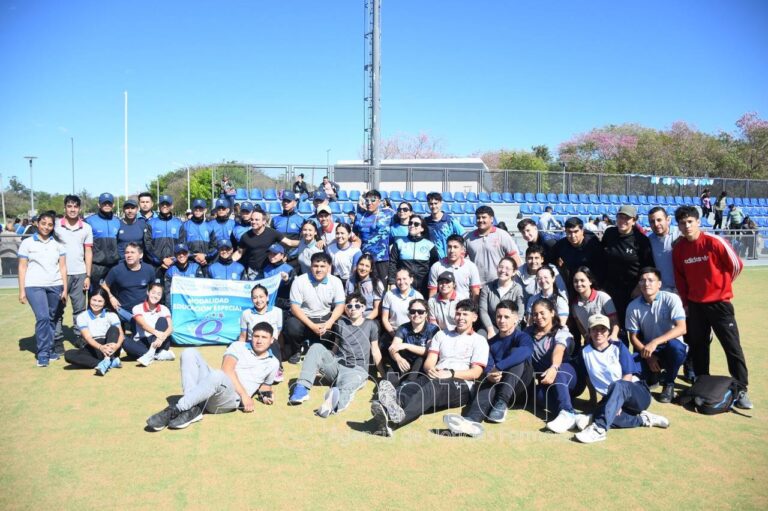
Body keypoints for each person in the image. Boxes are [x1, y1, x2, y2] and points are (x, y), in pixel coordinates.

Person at [369, 299, 488, 437]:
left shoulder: (479, 340)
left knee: (433, 387)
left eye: (465, 314)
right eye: (458, 314)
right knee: (411, 387)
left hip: (461, 384)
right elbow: (429, 361)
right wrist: (431, 369)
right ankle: (387, 408)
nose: (460, 317)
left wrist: (450, 373)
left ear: (474, 317)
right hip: (436, 375)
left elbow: (476, 372)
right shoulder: (442, 335)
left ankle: (393, 423)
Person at [672, 205, 752, 409]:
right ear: (678, 226)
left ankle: (741, 388)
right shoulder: (679, 249)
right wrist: (686, 303)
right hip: (696, 306)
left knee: (732, 346)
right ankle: (702, 382)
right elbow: (680, 279)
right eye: (682, 223)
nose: (687, 226)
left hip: (720, 305)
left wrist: (722, 287)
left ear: (698, 222)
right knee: (699, 346)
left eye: (690, 221)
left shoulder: (714, 241)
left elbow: (736, 265)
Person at [146, 322, 278, 431]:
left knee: (217, 375)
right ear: (251, 336)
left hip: (230, 399)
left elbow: (265, 386)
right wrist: (245, 394)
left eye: (264, 337)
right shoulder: (238, 346)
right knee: (189, 353)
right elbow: (227, 369)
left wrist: (265, 396)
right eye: (256, 336)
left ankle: (176, 409)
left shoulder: (273, 363)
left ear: (272, 340)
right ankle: (191, 409)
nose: (259, 340)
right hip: (218, 386)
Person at [574, 314, 670, 444]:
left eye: (603, 329)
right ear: (589, 332)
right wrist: (593, 400)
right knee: (601, 413)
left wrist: (618, 401)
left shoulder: (618, 346)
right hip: (611, 398)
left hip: (637, 394)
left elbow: (627, 376)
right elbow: (588, 377)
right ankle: (644, 419)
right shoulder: (584, 352)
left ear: (608, 331)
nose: (599, 333)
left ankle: (599, 429)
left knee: (617, 386)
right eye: (594, 329)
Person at [443, 301, 534, 436]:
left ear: (515, 319)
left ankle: (502, 402)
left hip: (520, 388)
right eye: (499, 316)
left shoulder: (522, 337)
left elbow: (526, 351)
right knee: (486, 384)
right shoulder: (490, 343)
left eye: (506, 317)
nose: (502, 320)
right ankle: (471, 421)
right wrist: (490, 374)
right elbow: (488, 365)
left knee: (517, 355)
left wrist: (499, 367)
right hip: (499, 383)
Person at [288, 292, 376, 417]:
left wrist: (383, 375)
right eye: (349, 306)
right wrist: (323, 362)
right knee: (316, 347)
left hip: (357, 370)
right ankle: (302, 388)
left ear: (363, 308)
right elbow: (336, 345)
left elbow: (375, 350)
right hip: (338, 364)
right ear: (346, 309)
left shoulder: (371, 325)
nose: (353, 309)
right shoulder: (341, 323)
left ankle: (332, 405)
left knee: (346, 387)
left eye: (357, 306)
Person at [626, 267, 688, 403]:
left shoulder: (671, 298)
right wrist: (648, 357)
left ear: (659, 284)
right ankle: (653, 376)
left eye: (650, 280)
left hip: (670, 346)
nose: (646, 284)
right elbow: (633, 337)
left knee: (676, 348)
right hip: (649, 350)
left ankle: (669, 383)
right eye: (642, 280)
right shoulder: (633, 306)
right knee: (629, 366)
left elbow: (682, 328)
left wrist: (655, 342)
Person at [18, 210, 68, 367]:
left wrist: (65, 289)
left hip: (55, 285)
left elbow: (63, 267)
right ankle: (43, 353)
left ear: (53, 227)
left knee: (52, 318)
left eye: (50, 225)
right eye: (43, 223)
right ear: (37, 223)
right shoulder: (27, 243)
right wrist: (22, 290)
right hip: (34, 286)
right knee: (43, 318)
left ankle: (50, 349)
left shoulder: (58, 243)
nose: (46, 227)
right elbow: (22, 267)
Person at [525, 298, 581, 433]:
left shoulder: (562, 331)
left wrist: (554, 366)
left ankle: (567, 411)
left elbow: (559, 349)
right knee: (537, 395)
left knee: (558, 371)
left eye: (542, 313)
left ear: (552, 312)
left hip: (569, 378)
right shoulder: (527, 333)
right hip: (547, 382)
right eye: (535, 314)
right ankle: (574, 417)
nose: (538, 317)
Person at [284, 252, 345, 364]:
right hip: (304, 318)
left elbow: (340, 305)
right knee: (291, 325)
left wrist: (330, 322)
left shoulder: (336, 281)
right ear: (310, 266)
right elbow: (294, 307)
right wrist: (312, 326)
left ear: (329, 267)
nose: (319, 269)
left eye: (322, 266)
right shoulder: (299, 281)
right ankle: (297, 350)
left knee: (340, 323)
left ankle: (331, 352)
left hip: (324, 318)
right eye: (315, 266)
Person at [600, 205, 654, 328]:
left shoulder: (641, 240)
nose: (622, 221)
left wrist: (639, 287)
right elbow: (601, 257)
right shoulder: (609, 233)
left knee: (635, 325)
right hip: (611, 288)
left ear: (634, 221)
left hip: (632, 289)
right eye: (620, 217)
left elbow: (648, 267)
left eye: (627, 218)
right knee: (613, 324)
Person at [54, 194, 93, 353]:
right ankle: (57, 339)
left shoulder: (86, 227)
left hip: (80, 274)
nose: (72, 209)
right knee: (58, 309)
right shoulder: (56, 226)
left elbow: (88, 252)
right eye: (69, 206)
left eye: (75, 206)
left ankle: (79, 336)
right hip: (59, 274)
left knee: (80, 309)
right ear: (65, 208)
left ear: (79, 208)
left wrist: (88, 275)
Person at [63, 289, 124, 375]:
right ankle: (107, 363)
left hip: (110, 345)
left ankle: (108, 359)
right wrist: (100, 347)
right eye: (94, 300)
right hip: (93, 345)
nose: (96, 304)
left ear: (105, 303)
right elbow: (88, 337)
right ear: (89, 300)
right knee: (68, 354)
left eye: (100, 301)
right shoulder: (82, 317)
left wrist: (117, 346)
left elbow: (121, 334)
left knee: (114, 329)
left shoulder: (112, 315)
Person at [101, 242, 157, 326]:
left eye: (132, 252)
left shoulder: (149, 269)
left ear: (140, 255)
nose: (129, 255)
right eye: (127, 252)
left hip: (142, 311)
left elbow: (154, 288)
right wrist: (111, 297)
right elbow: (104, 285)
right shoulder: (116, 270)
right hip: (122, 311)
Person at [464, 205, 522, 285]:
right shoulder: (468, 238)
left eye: (484, 217)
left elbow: (515, 257)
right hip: (477, 284)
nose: (480, 220)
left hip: (499, 283)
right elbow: (459, 258)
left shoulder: (502, 235)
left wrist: (517, 280)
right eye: (478, 218)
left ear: (491, 219)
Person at [121, 282, 174, 366]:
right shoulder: (137, 308)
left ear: (161, 296)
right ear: (148, 292)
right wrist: (156, 333)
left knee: (162, 320)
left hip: (159, 342)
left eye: (159, 294)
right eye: (153, 293)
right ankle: (156, 355)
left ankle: (150, 353)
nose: (155, 296)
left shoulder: (164, 309)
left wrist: (161, 337)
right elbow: (143, 325)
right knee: (124, 341)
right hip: (143, 341)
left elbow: (170, 328)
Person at [235, 209, 297, 280]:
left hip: (270, 271)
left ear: (264, 221)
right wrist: (228, 262)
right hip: (253, 273)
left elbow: (289, 242)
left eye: (257, 220)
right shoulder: (245, 236)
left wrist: (304, 242)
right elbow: (239, 253)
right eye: (252, 219)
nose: (253, 222)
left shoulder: (272, 233)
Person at [387, 298, 439, 384]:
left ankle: (408, 384)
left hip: (421, 365)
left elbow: (429, 352)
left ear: (426, 313)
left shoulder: (433, 329)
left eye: (420, 312)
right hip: (405, 361)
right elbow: (392, 348)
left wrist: (406, 345)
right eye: (412, 311)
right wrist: (398, 358)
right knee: (389, 381)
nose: (416, 314)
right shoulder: (403, 328)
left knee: (420, 359)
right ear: (409, 313)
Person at [239, 284, 284, 380]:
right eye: (255, 297)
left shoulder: (277, 311)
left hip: (271, 344)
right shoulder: (246, 314)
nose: (258, 300)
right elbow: (243, 336)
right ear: (252, 299)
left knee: (272, 341)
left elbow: (279, 332)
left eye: (261, 296)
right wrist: (239, 351)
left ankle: (277, 369)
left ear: (267, 297)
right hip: (254, 344)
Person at [551, 216, 603, 298]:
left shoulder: (593, 243)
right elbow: (550, 259)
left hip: (592, 285)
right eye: (569, 232)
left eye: (576, 231)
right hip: (573, 285)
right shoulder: (561, 245)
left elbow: (602, 266)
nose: (573, 235)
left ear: (582, 231)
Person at [388, 214, 438, 296]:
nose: (412, 225)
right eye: (410, 223)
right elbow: (393, 263)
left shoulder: (429, 245)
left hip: (423, 287)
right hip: (403, 286)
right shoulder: (399, 243)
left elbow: (434, 266)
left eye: (416, 224)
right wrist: (392, 282)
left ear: (422, 228)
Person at [352, 189, 394, 287]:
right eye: (367, 200)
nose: (369, 203)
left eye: (373, 200)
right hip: (365, 259)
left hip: (382, 259)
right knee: (364, 287)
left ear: (379, 201)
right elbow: (355, 236)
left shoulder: (389, 214)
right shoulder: (359, 216)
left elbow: (394, 232)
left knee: (381, 288)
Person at [478, 256, 525, 339]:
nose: (503, 270)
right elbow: (483, 311)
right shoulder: (487, 288)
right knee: (480, 337)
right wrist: (490, 330)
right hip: (492, 324)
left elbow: (520, 312)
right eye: (501, 267)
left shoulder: (518, 288)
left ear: (514, 272)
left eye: (507, 268)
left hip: (511, 325)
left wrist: (510, 327)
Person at [571, 266, 619, 342]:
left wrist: (613, 335)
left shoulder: (603, 297)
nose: (579, 284)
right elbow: (580, 325)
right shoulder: (574, 305)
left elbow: (614, 321)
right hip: (592, 342)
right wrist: (587, 337)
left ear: (590, 281)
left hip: (608, 340)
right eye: (575, 281)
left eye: (582, 280)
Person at [427, 234, 481, 301]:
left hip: (463, 305)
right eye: (449, 247)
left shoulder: (471, 266)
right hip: (443, 305)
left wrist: (474, 307)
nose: (452, 250)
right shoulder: (436, 266)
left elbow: (475, 291)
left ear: (462, 249)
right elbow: (433, 292)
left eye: (455, 247)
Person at [86, 192, 121, 293]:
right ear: (99, 204)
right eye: (104, 203)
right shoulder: (89, 221)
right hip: (97, 266)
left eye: (109, 203)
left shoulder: (117, 221)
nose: (107, 205)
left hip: (114, 265)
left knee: (113, 295)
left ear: (113, 205)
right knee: (96, 296)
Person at [144, 194, 186, 278]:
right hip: (156, 266)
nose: (165, 206)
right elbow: (147, 245)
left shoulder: (179, 223)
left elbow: (182, 244)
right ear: (159, 206)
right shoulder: (150, 223)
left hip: (174, 265)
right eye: (162, 204)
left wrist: (173, 260)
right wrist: (162, 260)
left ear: (172, 206)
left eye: (167, 204)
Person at [380, 268, 424, 344]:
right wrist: (395, 335)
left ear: (411, 280)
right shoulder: (389, 295)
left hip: (412, 334)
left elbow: (422, 319)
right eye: (399, 279)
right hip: (393, 332)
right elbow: (384, 318)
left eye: (404, 279)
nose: (401, 282)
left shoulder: (418, 296)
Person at [424, 192, 465, 259]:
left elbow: (463, 235)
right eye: (431, 204)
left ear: (441, 203)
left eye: (436, 203)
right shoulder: (425, 222)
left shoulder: (450, 220)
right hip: (432, 260)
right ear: (428, 205)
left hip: (449, 259)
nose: (433, 206)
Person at [647, 207, 679, 291]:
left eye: (659, 220)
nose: (656, 224)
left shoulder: (680, 234)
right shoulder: (649, 241)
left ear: (668, 220)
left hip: (682, 289)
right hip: (662, 290)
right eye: (652, 221)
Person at [346, 253, 384, 321]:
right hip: (352, 317)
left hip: (369, 319)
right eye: (361, 264)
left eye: (367, 266)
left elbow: (377, 310)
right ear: (357, 265)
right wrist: (351, 317)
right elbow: (345, 304)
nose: (363, 268)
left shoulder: (376, 283)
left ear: (371, 269)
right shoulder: (350, 281)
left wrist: (363, 322)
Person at [183, 198, 217, 267]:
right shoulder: (185, 226)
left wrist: (205, 256)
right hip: (190, 264)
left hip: (205, 263)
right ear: (192, 209)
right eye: (196, 208)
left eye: (200, 208)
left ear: (205, 210)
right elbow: (181, 245)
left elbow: (214, 247)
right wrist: (193, 256)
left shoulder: (209, 227)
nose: (198, 210)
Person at [262, 243, 295, 310]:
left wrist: (287, 280)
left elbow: (295, 288)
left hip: (284, 303)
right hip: (268, 301)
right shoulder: (266, 269)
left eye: (275, 254)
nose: (271, 256)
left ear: (282, 256)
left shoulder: (289, 269)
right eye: (270, 253)